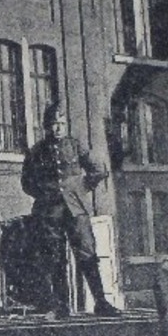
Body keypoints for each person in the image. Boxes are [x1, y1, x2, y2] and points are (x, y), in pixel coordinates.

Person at [20, 104, 119, 316]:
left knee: (87, 252)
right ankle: (62, 306)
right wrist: (45, 194)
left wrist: (82, 187)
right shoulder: (36, 151)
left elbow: (99, 170)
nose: (58, 128)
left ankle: (101, 302)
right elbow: (26, 182)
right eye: (54, 124)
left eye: (62, 124)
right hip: (48, 212)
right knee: (54, 257)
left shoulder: (75, 146)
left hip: (75, 208)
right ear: (47, 126)